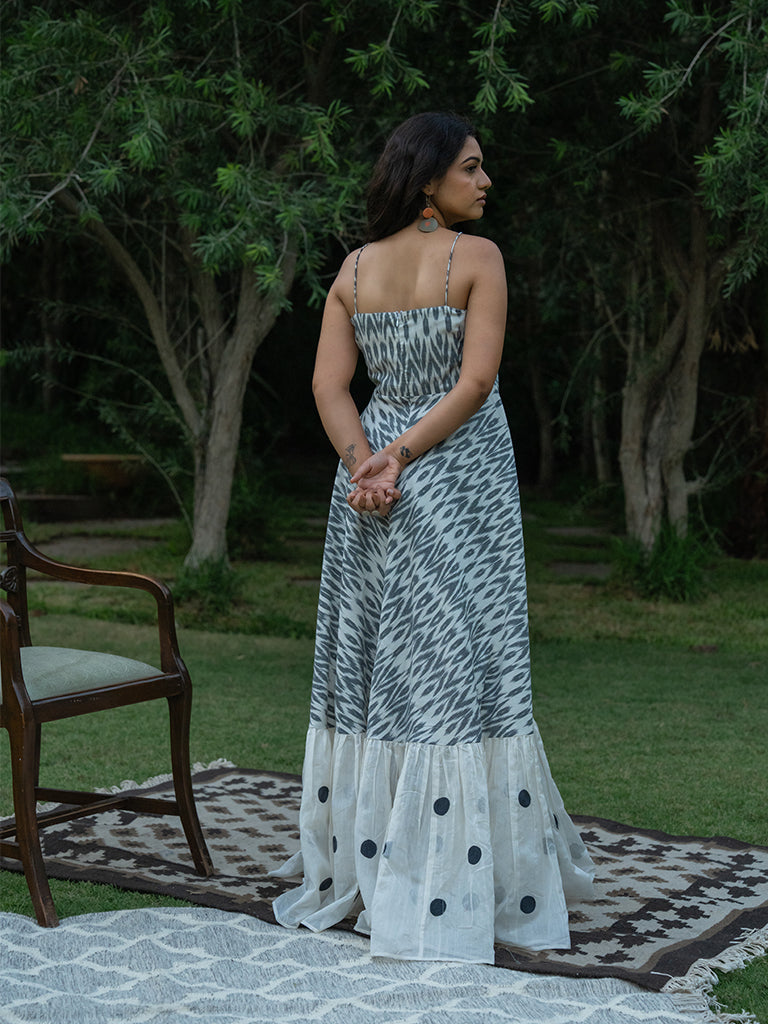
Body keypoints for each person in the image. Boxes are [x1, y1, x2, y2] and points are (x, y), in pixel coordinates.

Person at [270, 111, 595, 963]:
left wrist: (365, 466)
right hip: (452, 472)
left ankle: (375, 865)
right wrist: (400, 462)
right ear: (427, 180)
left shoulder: (353, 269)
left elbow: (328, 386)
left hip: (373, 475)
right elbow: (476, 382)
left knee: (381, 660)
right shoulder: (478, 258)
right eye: (471, 168)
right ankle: (455, 880)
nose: (485, 182)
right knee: (461, 662)